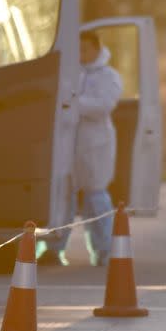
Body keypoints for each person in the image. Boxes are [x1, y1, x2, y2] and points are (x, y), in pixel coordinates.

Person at [38, 30, 122, 267]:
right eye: (78, 49)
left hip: (95, 145)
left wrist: (72, 104)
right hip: (68, 143)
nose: (81, 54)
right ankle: (53, 249)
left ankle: (105, 250)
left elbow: (104, 105)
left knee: (96, 197)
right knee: (63, 197)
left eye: (85, 49)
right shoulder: (70, 73)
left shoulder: (108, 76)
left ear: (97, 48)